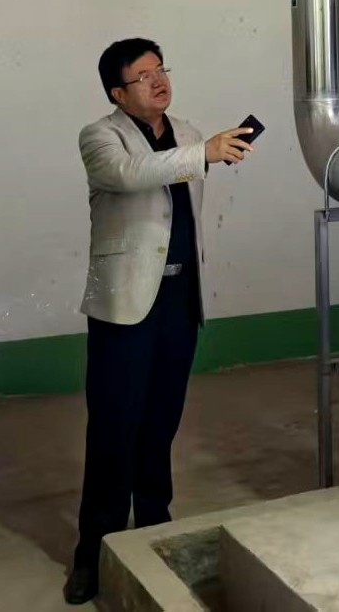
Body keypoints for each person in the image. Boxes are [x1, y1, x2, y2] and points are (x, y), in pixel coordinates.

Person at [63, 39, 255, 605]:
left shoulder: (189, 132)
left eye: (160, 69)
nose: (157, 81)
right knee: (113, 429)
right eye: (142, 76)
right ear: (118, 93)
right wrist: (203, 154)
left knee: (160, 425)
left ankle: (153, 531)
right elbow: (130, 174)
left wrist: (204, 151)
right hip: (125, 302)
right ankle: (93, 553)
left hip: (179, 298)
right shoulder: (100, 137)